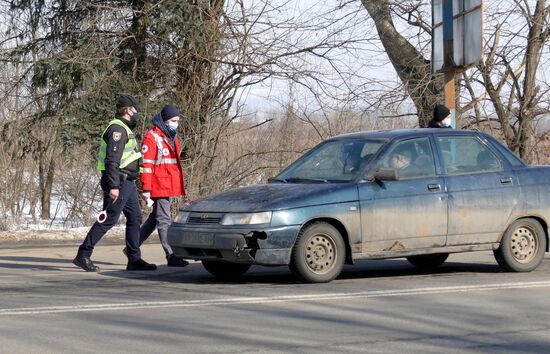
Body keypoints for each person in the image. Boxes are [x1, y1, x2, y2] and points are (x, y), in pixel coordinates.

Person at [73, 95, 157, 272]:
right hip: (118, 180)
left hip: (127, 181)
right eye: (135, 109)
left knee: (135, 217)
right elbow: (112, 160)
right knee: (109, 218)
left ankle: (134, 259)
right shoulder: (117, 129)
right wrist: (113, 186)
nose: (137, 113)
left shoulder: (125, 128)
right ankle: (83, 254)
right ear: (127, 110)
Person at [138, 104, 188, 267]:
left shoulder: (171, 136)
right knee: (164, 220)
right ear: (165, 121)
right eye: (174, 120)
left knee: (155, 218)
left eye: (178, 121)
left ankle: (132, 246)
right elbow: (146, 165)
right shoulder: (152, 137)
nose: (176, 124)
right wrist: (146, 188)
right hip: (159, 185)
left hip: (168, 185)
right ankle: (171, 255)